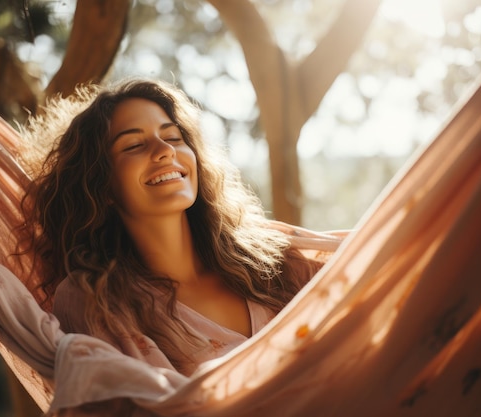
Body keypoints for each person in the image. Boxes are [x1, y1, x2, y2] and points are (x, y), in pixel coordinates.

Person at [19, 78, 332, 379]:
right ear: (103, 187)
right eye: (134, 145)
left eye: (172, 137)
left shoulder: (276, 261)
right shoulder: (96, 300)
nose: (164, 150)